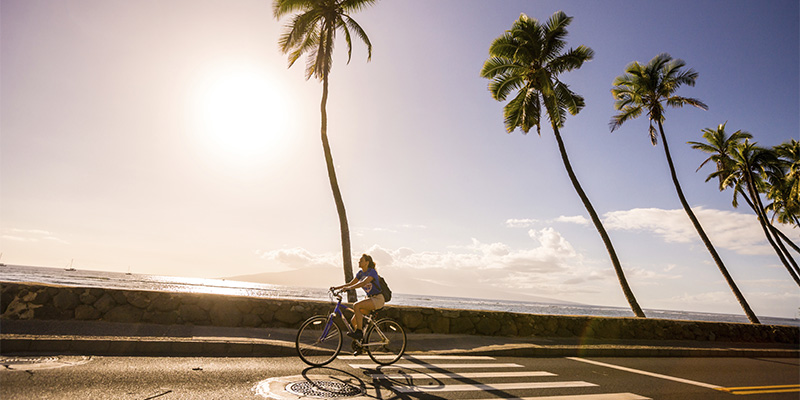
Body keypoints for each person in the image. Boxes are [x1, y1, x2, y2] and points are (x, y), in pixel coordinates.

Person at [331, 254, 385, 340]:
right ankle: (360, 342)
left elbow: (363, 283)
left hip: (377, 299)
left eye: (361, 261)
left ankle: (359, 333)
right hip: (369, 299)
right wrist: (336, 288)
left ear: (367, 263)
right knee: (353, 321)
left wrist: (349, 288)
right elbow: (350, 283)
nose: (359, 262)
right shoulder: (360, 273)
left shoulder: (372, 272)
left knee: (356, 305)